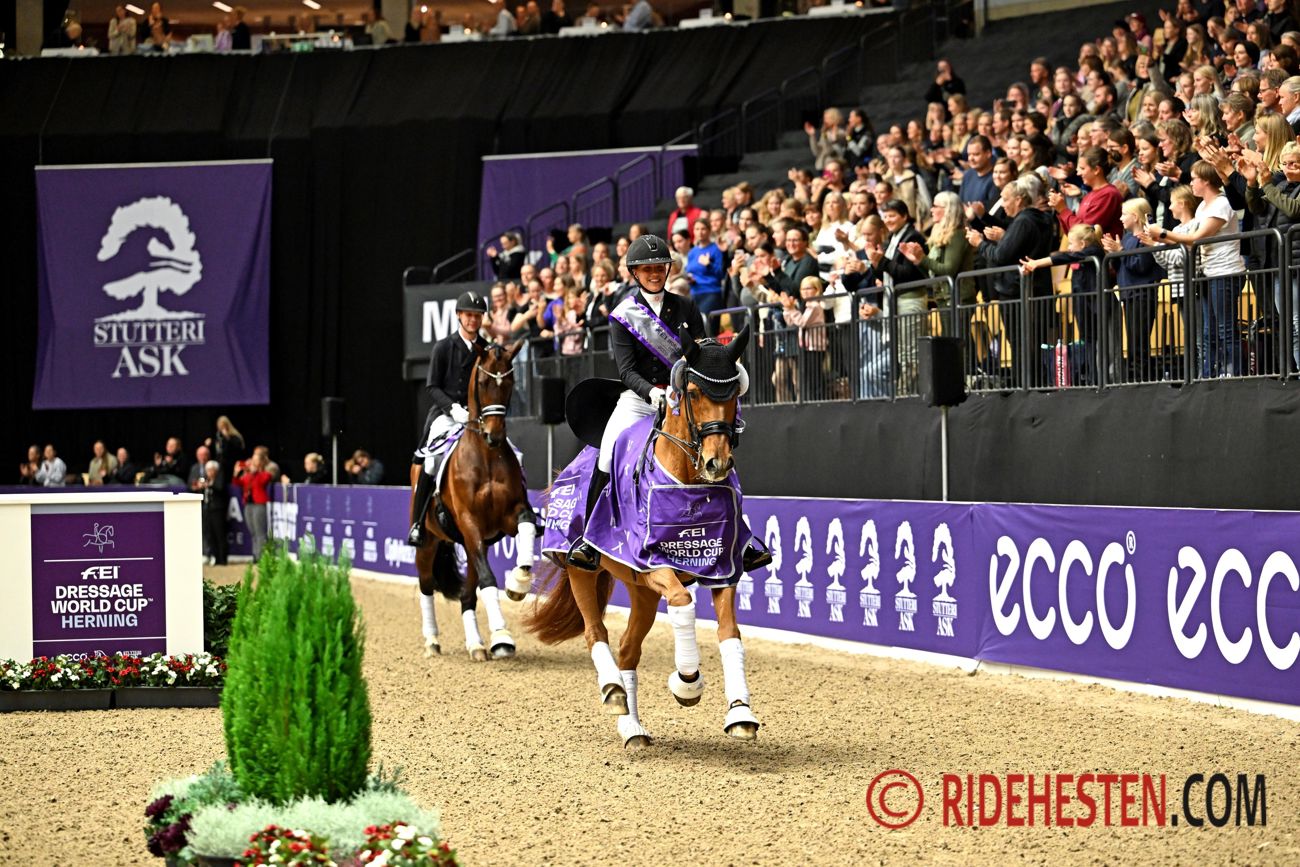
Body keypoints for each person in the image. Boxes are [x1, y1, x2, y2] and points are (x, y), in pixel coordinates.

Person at [566, 234, 768, 573]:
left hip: (682, 397)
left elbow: (701, 353)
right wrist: (653, 393)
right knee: (608, 452)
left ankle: (744, 540)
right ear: (635, 273)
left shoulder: (686, 306)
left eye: (660, 267)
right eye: (647, 269)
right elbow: (627, 370)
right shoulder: (623, 314)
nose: (654, 274)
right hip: (640, 399)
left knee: (717, 449)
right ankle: (590, 538)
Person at [1145, 161, 1247, 377]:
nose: (1190, 183)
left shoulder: (1222, 203)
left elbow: (1196, 238)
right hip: (1208, 273)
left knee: (1226, 329)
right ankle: (1208, 375)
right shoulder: (1201, 207)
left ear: (1206, 181)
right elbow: (1190, 240)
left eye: (1193, 179)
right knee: (1209, 331)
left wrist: (1162, 234)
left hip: (1226, 271)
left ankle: (1236, 374)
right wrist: (1159, 239)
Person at [408, 291, 490, 545]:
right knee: (432, 461)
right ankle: (418, 523)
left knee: (505, 451)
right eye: (469, 315)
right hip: (448, 414)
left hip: (477, 417)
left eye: (477, 315)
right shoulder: (443, 347)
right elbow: (432, 386)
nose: (473, 320)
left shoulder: (486, 349)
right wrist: (453, 408)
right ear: (459, 316)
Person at [232, 453, 273, 561]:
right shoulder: (248, 475)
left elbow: (264, 480)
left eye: (255, 460)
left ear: (261, 462)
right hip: (248, 505)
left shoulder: (264, 473)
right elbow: (238, 483)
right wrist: (236, 473)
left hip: (259, 505)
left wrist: (256, 471)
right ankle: (255, 555)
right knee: (253, 532)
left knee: (260, 532)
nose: (252, 462)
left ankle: (262, 556)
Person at [199, 460, 228, 566]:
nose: (209, 472)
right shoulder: (206, 479)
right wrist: (201, 487)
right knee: (210, 534)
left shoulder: (220, 479)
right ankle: (215, 557)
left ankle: (223, 558)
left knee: (219, 534)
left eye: (211, 470)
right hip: (207, 509)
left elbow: (220, 488)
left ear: (216, 471)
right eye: (208, 470)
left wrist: (209, 485)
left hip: (218, 510)